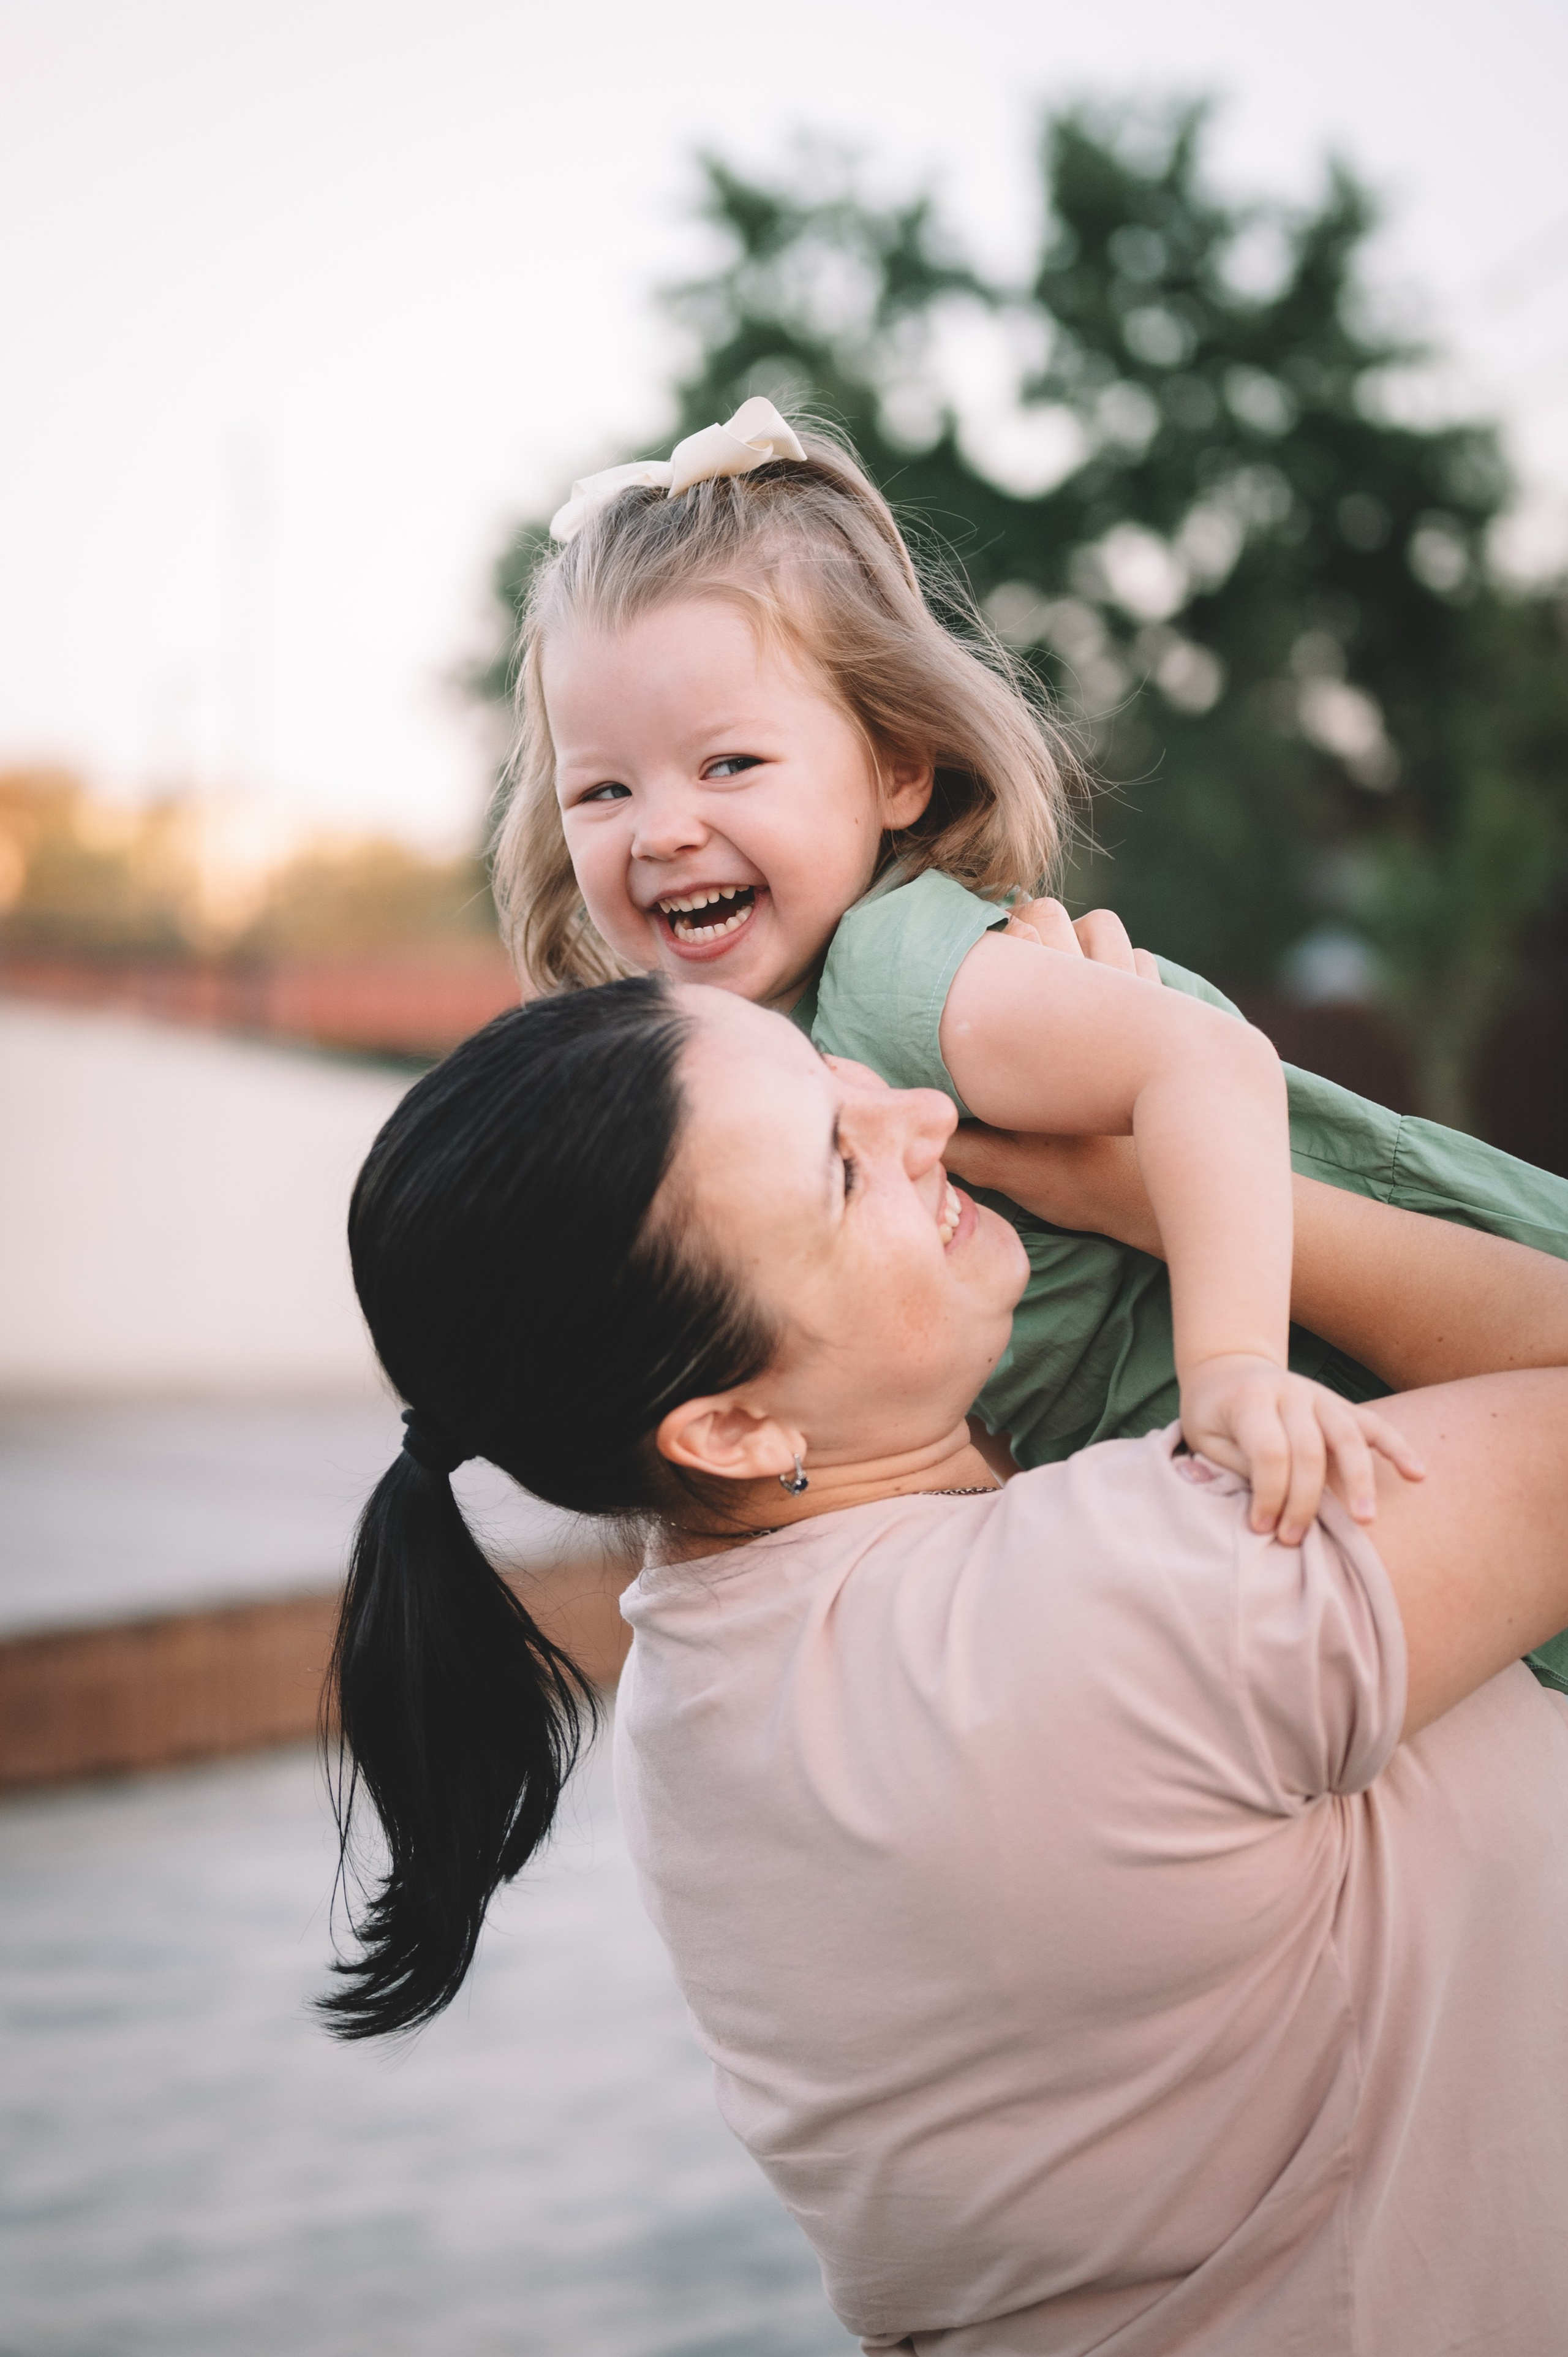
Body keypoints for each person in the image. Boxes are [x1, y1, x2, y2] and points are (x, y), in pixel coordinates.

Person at [325, 975, 1568, 2354]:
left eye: (832, 1067)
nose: (923, 1110)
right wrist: (1142, 1185)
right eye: (843, 1168)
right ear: (731, 1427)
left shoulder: (697, 1688)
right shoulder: (1112, 1602)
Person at [491, 399, 1568, 1674]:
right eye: (602, 789)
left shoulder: (901, 978)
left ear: (898, 769)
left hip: (1353, 1379)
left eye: (726, 765)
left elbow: (1203, 1061)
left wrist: (1230, 1370)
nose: (660, 828)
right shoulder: (751, 1067)